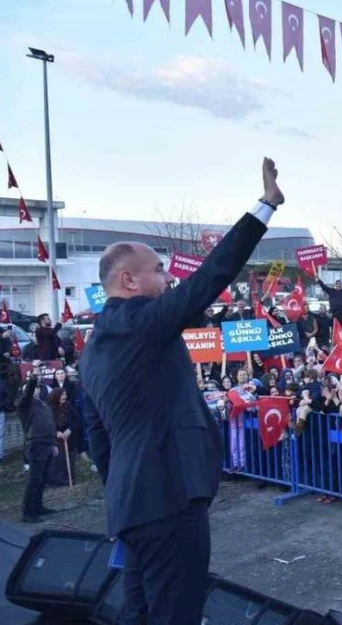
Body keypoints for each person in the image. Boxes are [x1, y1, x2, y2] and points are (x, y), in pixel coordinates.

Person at [81, 158, 284, 625]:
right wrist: (266, 206)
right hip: (170, 503)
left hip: (132, 510)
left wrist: (125, 492)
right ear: (128, 280)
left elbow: (99, 440)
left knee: (138, 614)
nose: (169, 278)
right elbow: (211, 276)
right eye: (158, 269)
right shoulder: (142, 324)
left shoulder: (92, 350)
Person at [18, 375, 57, 523]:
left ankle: (38, 506)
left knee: (43, 478)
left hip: (47, 443)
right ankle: (28, 512)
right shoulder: (25, 404)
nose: (36, 390)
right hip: (35, 444)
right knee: (34, 478)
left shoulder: (44, 405)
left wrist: (53, 443)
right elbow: (28, 392)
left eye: (38, 388)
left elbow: (51, 424)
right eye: (33, 388)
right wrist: (33, 377)